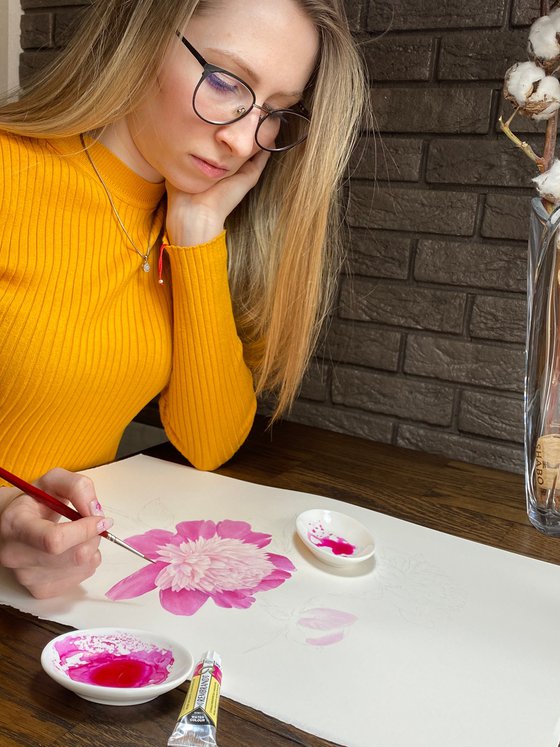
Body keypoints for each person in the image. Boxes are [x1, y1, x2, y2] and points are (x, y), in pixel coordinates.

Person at [0, 0, 368, 598]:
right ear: (139, 33)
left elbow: (209, 442)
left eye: (275, 113)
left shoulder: (171, 220)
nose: (245, 140)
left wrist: (196, 229)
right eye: (225, 80)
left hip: (58, 607)